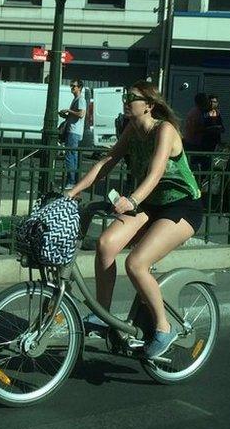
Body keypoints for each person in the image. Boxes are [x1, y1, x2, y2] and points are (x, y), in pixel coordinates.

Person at [66, 80, 203, 360]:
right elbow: (107, 162)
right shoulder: (131, 130)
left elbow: (155, 172)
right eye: (125, 95)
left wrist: (133, 201)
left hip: (182, 207)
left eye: (133, 97)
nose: (126, 100)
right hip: (151, 203)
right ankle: (103, 314)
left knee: (136, 263)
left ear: (149, 105)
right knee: (105, 243)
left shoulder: (164, 130)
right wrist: (73, 191)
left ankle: (165, 329)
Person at [58, 79, 86, 189]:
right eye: (71, 86)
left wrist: (69, 111)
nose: (72, 88)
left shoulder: (80, 99)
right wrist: (65, 115)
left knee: (70, 156)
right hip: (73, 130)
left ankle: (71, 181)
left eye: (74, 86)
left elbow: (81, 114)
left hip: (74, 131)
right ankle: (73, 181)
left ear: (79, 88)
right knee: (72, 155)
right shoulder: (76, 99)